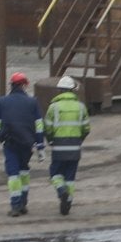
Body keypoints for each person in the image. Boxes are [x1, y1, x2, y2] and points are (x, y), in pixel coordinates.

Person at [0, 71, 45, 217]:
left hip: (10, 143)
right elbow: (39, 126)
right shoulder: (33, 102)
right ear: (24, 86)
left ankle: (15, 205)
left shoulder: (2, 102)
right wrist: (40, 146)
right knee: (24, 171)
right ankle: (23, 202)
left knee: (13, 174)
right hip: (27, 143)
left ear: (11, 85)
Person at [45, 74, 92, 216]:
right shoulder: (81, 107)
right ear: (72, 90)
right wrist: (79, 140)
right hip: (75, 145)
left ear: (60, 90)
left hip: (59, 145)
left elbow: (48, 127)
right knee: (70, 176)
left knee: (55, 173)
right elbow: (86, 128)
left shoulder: (53, 107)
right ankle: (68, 203)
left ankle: (61, 191)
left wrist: (50, 140)